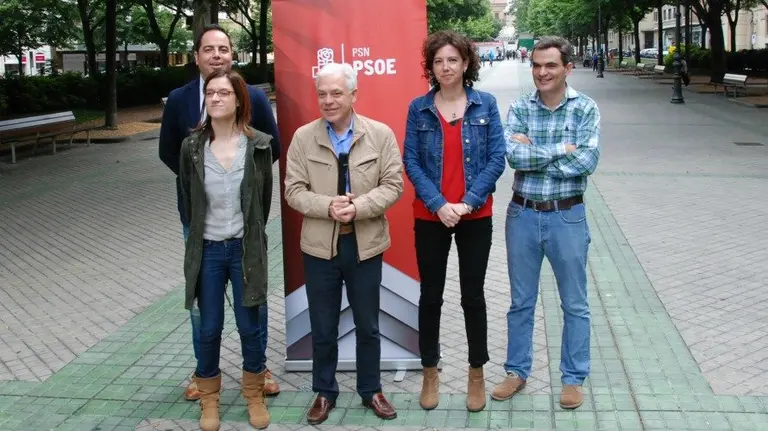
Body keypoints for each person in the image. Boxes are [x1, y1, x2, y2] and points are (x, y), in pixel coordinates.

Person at [158, 23, 281, 401]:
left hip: (245, 225)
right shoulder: (178, 99)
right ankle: (203, 372)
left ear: (232, 55)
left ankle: (258, 368)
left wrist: (242, 188)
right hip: (199, 224)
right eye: (208, 49)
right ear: (196, 57)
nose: (216, 55)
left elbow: (271, 148)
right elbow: (168, 151)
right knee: (202, 307)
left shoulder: (252, 97)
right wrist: (201, 181)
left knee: (253, 298)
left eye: (223, 49)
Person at [284, 62, 404, 425]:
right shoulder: (303, 138)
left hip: (364, 245)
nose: (328, 100)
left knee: (368, 324)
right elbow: (293, 190)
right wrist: (328, 206)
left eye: (336, 93)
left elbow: (393, 184)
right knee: (323, 326)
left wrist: (359, 206)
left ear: (353, 95)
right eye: (322, 94)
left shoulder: (380, 134)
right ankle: (324, 391)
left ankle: (371, 390)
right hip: (320, 248)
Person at [491, 36, 601, 410]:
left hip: (567, 216)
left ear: (568, 68)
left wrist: (535, 152)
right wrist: (560, 151)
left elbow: (586, 162)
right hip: (522, 215)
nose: (542, 72)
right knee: (521, 301)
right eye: (537, 65)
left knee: (575, 302)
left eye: (551, 65)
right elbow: (513, 157)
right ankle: (516, 371)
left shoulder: (585, 108)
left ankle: (573, 377)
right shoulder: (521, 107)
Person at [402, 30, 506, 413]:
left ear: (465, 64)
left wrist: (467, 203)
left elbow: (497, 157)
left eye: (452, 60)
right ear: (430, 67)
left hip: (474, 216)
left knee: (472, 296)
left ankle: (476, 373)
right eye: (438, 61)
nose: (445, 67)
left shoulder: (485, 104)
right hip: (430, 216)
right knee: (431, 296)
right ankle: (430, 371)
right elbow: (411, 159)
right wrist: (438, 204)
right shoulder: (419, 108)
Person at [179, 70, 275, 430]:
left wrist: (249, 236)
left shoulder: (258, 145)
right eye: (211, 93)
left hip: (244, 250)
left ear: (238, 100)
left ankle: (253, 395)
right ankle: (209, 399)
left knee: (250, 327)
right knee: (209, 328)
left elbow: (262, 201)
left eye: (224, 93)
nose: (216, 98)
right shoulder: (191, 147)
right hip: (207, 251)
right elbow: (188, 200)